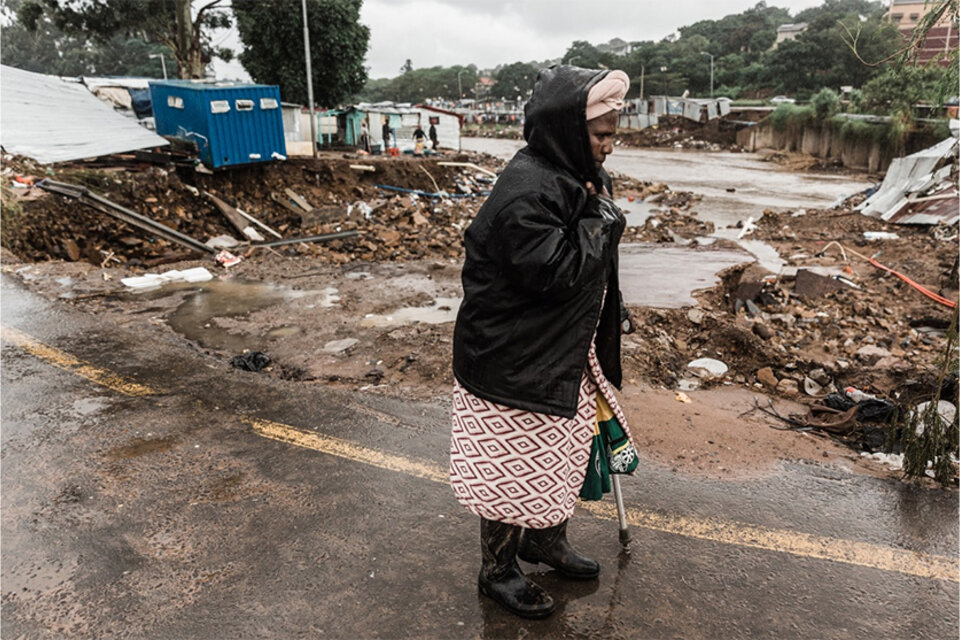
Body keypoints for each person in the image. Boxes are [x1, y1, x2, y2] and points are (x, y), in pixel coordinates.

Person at [450, 66, 637, 619]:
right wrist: (600, 223)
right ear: (567, 130)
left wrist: (612, 303)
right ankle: (498, 571)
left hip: (556, 351)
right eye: (601, 135)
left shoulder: (578, 173)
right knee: (510, 464)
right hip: (511, 357)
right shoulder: (526, 191)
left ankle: (543, 539)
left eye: (612, 133)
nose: (609, 145)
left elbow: (590, 267)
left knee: (559, 454)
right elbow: (552, 272)